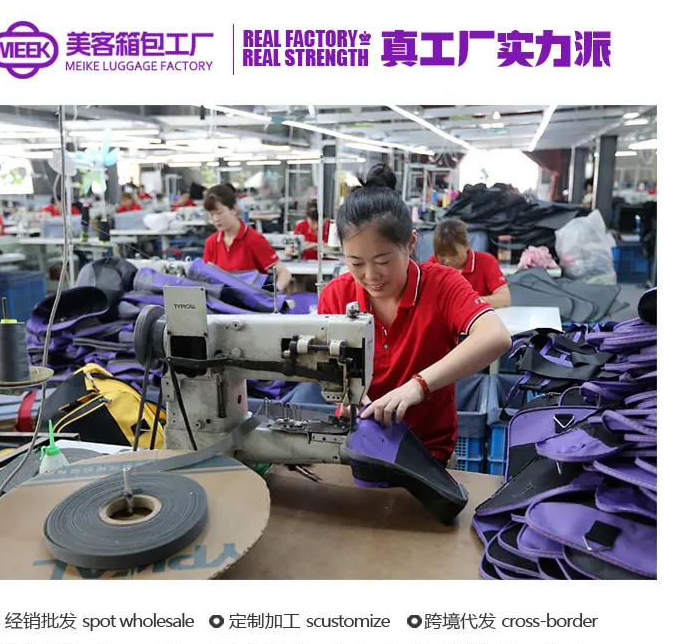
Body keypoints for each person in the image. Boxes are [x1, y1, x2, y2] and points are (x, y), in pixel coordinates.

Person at [317, 165, 511, 465]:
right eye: (355, 263)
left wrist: (418, 386)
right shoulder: (336, 295)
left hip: (428, 452)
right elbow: (325, 366)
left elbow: (496, 337)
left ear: (410, 244)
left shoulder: (442, 284)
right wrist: (347, 396)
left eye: (383, 261)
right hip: (356, 444)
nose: (371, 275)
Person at [202, 183, 292, 291]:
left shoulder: (254, 240)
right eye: (211, 214)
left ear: (234, 208)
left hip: (251, 300)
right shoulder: (211, 243)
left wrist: (274, 294)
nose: (215, 219)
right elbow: (205, 279)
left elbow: (284, 273)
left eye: (219, 213)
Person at [429, 219, 511, 309]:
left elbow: (504, 299)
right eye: (442, 255)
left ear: (466, 245)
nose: (447, 261)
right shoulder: (433, 264)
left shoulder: (486, 262)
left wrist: (469, 302)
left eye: (453, 255)